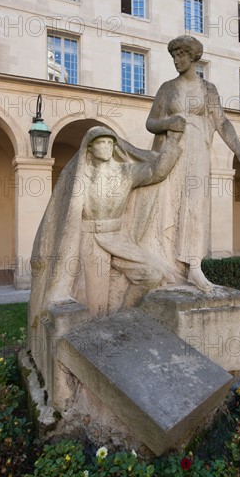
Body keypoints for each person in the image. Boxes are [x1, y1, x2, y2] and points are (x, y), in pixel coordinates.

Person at [29, 126, 181, 331]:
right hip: (90, 238)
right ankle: (98, 336)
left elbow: (157, 172)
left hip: (118, 238)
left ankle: (124, 317)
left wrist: (172, 143)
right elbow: (64, 213)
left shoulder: (125, 172)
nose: (106, 147)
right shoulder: (80, 178)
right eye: (101, 143)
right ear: (90, 148)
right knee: (96, 303)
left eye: (110, 143)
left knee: (151, 274)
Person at [134, 35, 240, 293]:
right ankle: (167, 265)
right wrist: (168, 123)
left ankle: (194, 267)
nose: (177, 60)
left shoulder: (207, 89)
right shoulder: (167, 88)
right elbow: (151, 122)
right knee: (169, 206)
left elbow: (221, 121)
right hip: (172, 154)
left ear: (193, 57)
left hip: (198, 152)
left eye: (181, 55)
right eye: (174, 56)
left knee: (194, 207)